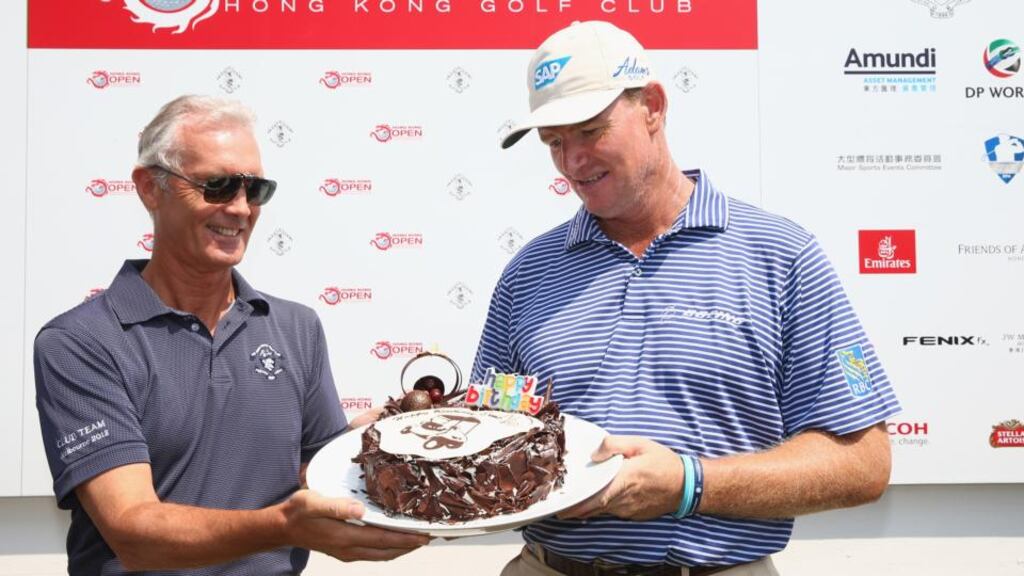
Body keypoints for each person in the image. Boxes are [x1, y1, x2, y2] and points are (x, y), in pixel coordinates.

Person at [472, 21, 901, 576]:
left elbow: (863, 464)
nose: (572, 161)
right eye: (554, 142)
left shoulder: (780, 255)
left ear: (652, 105)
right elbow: (484, 442)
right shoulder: (528, 272)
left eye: (589, 130)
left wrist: (690, 484)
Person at [33, 95, 428, 575]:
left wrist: (382, 442)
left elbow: (314, 477)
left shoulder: (296, 327)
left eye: (255, 189)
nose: (240, 208)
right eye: (217, 186)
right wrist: (281, 526)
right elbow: (133, 532)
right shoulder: (80, 343)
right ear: (149, 189)